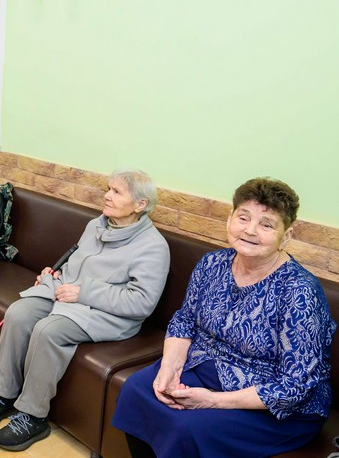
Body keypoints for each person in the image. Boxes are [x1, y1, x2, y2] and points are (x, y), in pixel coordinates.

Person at [112, 177, 335, 458]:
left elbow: (295, 386)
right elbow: (184, 321)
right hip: (207, 367)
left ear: (286, 235)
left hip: (276, 402)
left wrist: (213, 401)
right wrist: (169, 367)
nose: (250, 230)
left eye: (266, 225)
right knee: (137, 390)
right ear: (230, 219)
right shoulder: (212, 264)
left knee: (186, 428)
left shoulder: (300, 292)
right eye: (244, 217)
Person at [0, 170, 170, 451]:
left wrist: (83, 292)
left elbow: (141, 302)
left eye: (116, 192)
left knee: (48, 330)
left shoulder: (153, 247)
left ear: (140, 204)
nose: (107, 196)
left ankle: (33, 416)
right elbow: (73, 266)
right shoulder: (96, 225)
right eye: (108, 189)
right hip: (69, 296)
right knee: (18, 313)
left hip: (109, 315)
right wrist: (52, 276)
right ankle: (4, 394)